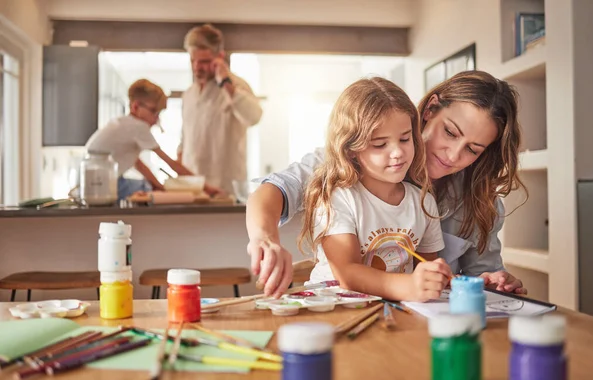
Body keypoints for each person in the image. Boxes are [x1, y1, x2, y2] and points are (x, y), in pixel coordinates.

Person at [247, 71, 528, 298]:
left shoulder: (478, 202)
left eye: (473, 150)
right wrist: (264, 237)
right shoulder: (349, 166)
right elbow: (276, 189)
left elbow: (469, 275)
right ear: (430, 109)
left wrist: (488, 284)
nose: (453, 155)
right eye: (450, 132)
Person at [296, 77, 450, 301]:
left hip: (390, 310)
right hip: (331, 307)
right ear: (351, 150)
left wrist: (435, 278)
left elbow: (425, 268)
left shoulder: (423, 201)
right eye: (380, 144)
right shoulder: (339, 198)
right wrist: (410, 285)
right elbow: (348, 274)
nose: (397, 152)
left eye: (405, 139)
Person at [85, 79, 220, 200]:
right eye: (154, 111)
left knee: (147, 187)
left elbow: (138, 164)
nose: (156, 119)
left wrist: (158, 186)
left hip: (93, 184)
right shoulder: (138, 126)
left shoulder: (122, 123)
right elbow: (171, 163)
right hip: (105, 184)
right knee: (145, 190)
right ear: (135, 106)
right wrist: (205, 187)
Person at [178, 24, 263, 195]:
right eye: (193, 60)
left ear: (220, 57)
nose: (197, 67)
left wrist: (225, 83)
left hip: (225, 188)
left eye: (204, 61)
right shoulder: (188, 94)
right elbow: (185, 139)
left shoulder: (236, 86)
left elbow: (254, 117)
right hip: (192, 188)